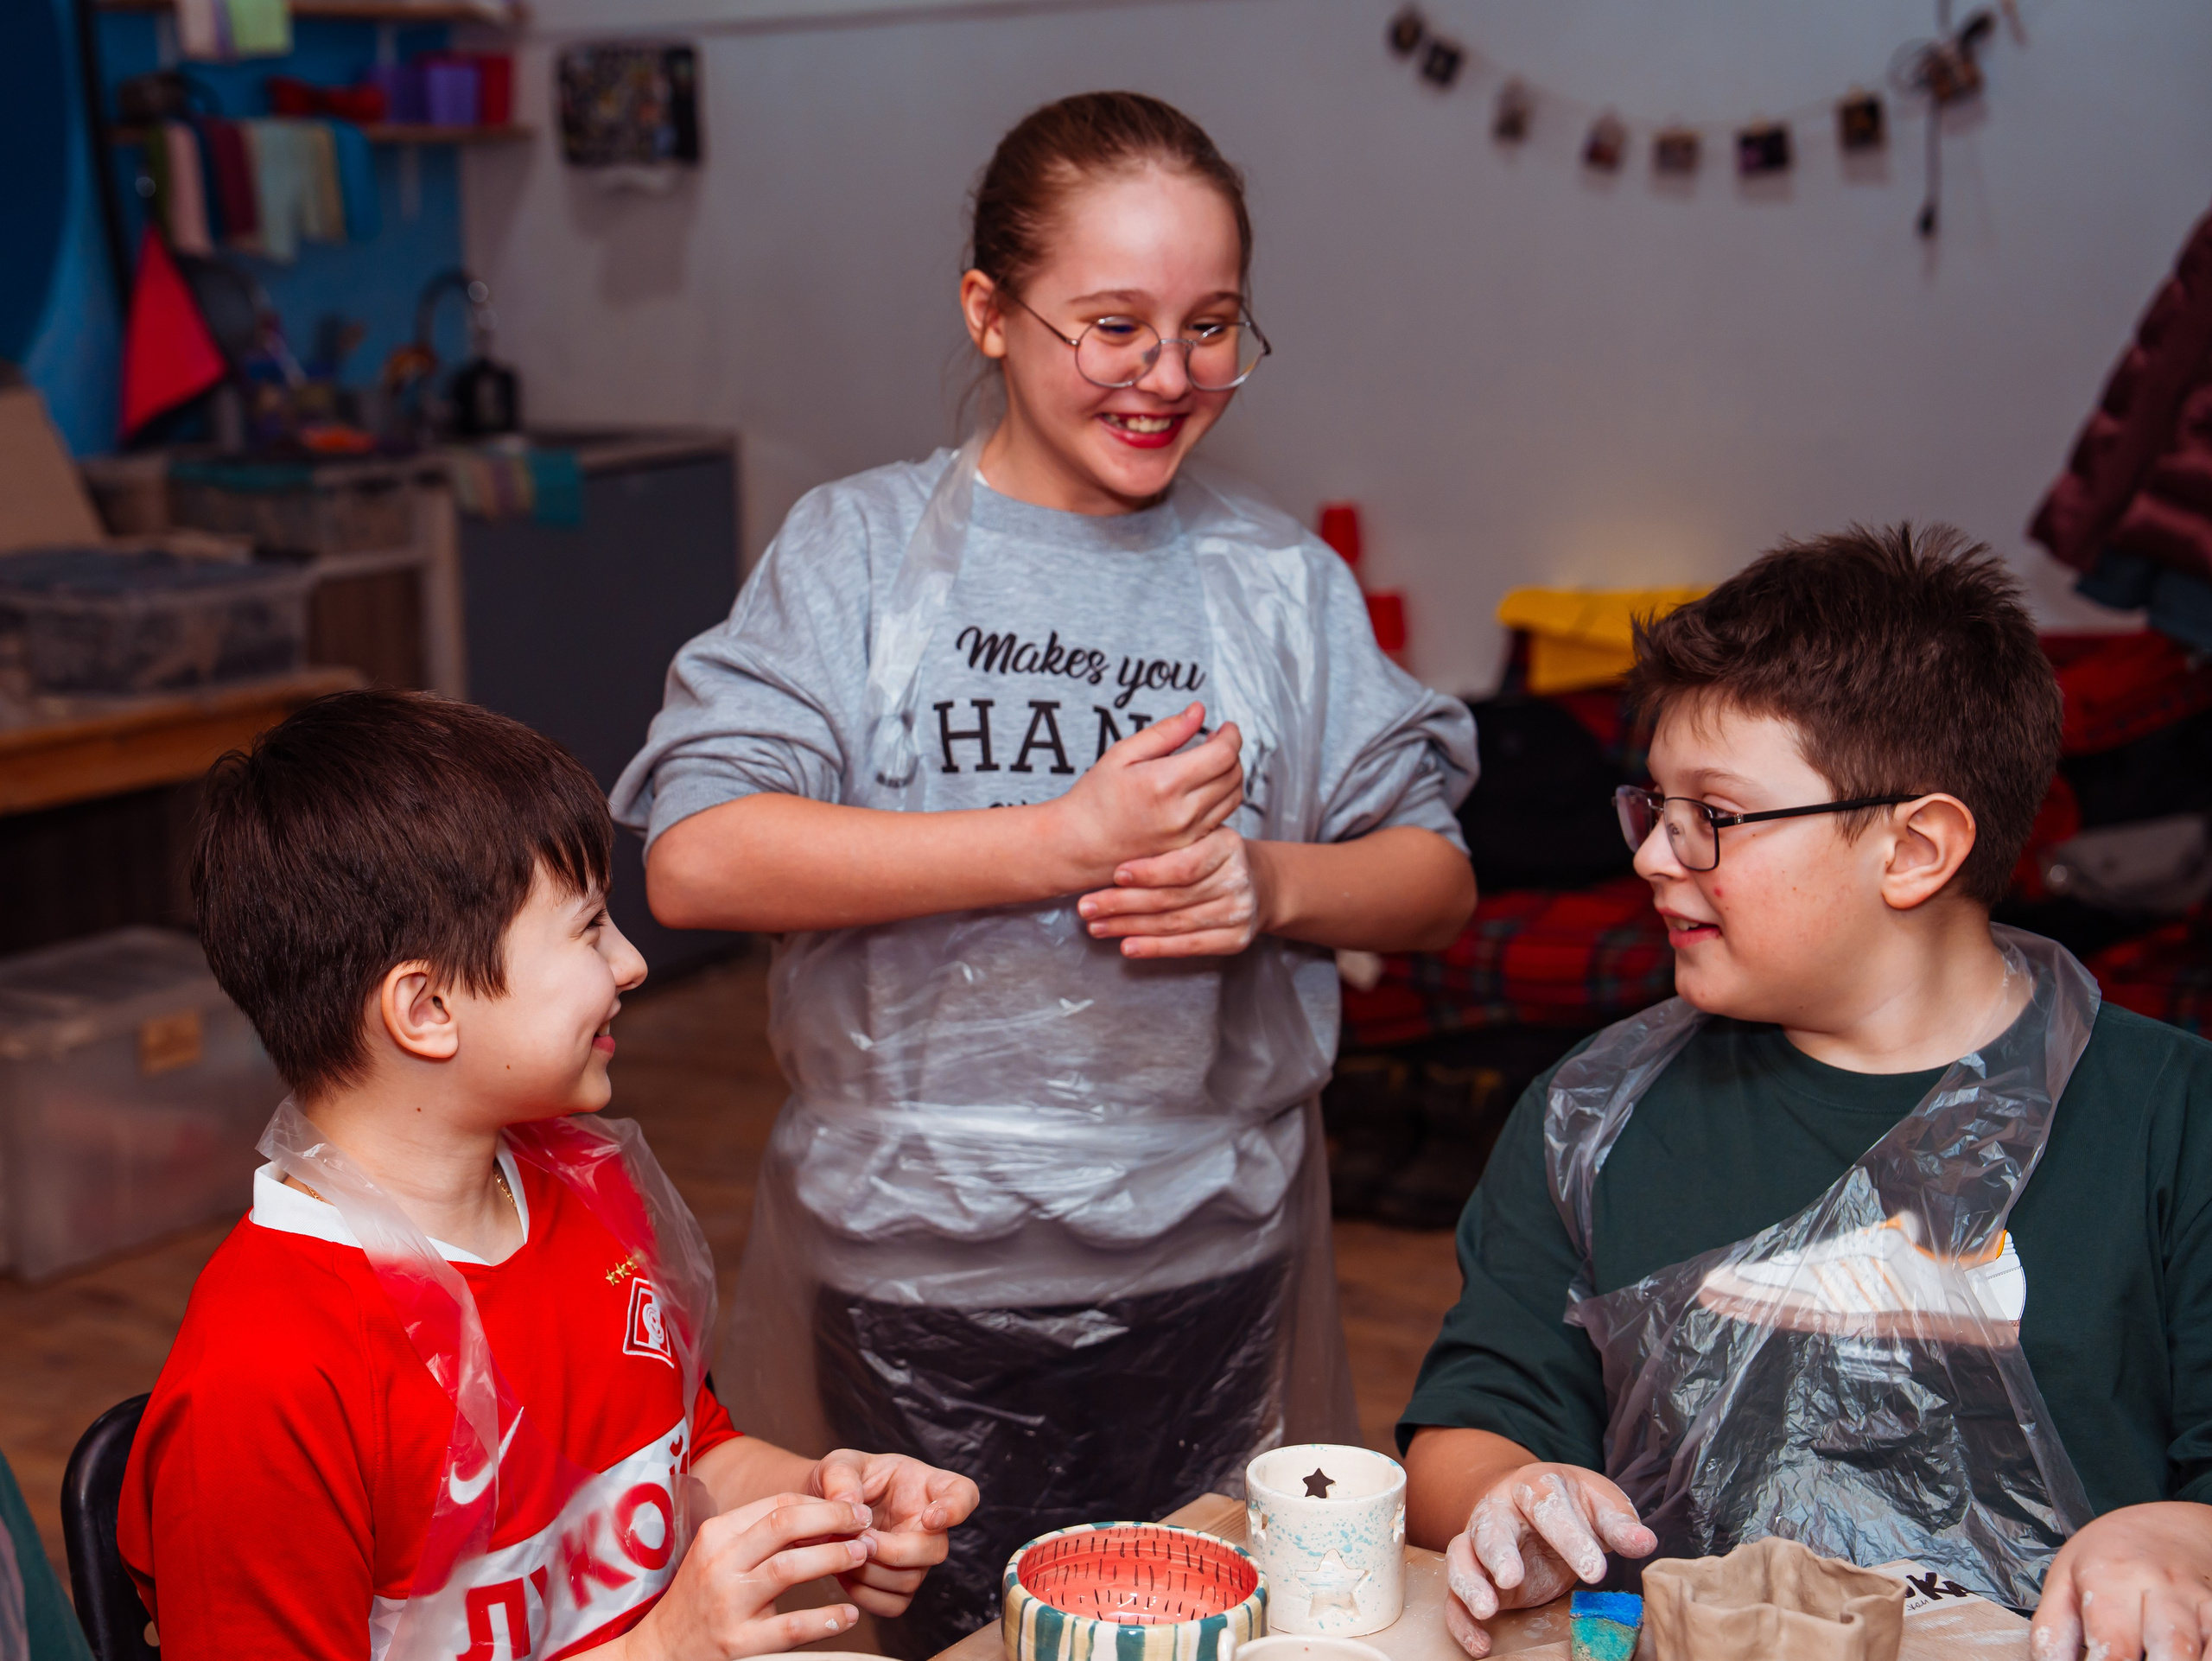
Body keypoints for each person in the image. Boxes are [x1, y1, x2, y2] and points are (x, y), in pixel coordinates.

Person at [613, 91, 1479, 1653]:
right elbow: (695, 855)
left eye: (1211, 326)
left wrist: (1272, 888)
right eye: (1113, 326)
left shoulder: (1278, 582)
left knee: (1202, 1626)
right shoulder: (856, 555)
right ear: (989, 312)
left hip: (1213, 1265)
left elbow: (1432, 879)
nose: (1167, 377)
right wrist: (1059, 842)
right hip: (913, 1277)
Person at [1397, 528, 2212, 1661]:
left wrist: (2175, 1536)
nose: (1652, 856)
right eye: (1655, 804)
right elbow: (1476, 1415)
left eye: (1714, 816)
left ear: (1916, 848)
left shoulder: (2176, 1123)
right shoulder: (1592, 1115)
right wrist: (1507, 1497)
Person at [118, 690, 977, 1661]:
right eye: (588, 927)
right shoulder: (268, 1373)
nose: (631, 961)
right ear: (428, 1005)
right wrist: (658, 1648)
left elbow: (686, 1455)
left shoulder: (589, 1187)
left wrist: (825, 1501)